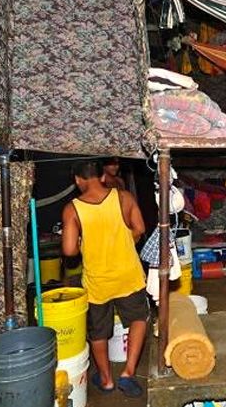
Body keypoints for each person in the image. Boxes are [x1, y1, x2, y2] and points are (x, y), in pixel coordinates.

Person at [62, 160, 147, 398]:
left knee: (99, 332)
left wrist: (84, 244)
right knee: (138, 319)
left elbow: (69, 251)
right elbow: (139, 228)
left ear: (77, 180)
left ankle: (107, 380)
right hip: (128, 274)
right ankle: (128, 374)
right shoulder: (124, 197)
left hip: (97, 281)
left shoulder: (72, 209)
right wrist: (120, 240)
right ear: (101, 177)